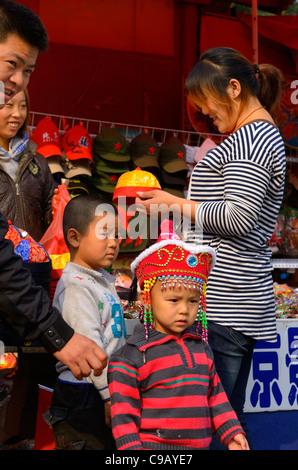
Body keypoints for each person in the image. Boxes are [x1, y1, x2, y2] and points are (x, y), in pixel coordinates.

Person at [135, 47, 286, 447]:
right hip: (229, 299)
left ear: (234, 89)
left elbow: (238, 217)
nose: (204, 113)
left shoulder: (252, 139)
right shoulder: (250, 137)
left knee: (217, 424)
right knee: (222, 420)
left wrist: (177, 205)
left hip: (228, 301)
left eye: (206, 102)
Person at [0, 0, 107, 379]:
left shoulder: (36, 164)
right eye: (12, 64)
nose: (17, 81)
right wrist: (57, 334)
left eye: (27, 71)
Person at [108, 220, 249, 451]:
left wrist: (232, 432)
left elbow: (216, 398)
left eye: (193, 301)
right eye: (174, 300)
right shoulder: (129, 358)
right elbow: (124, 419)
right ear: (146, 299)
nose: (184, 309)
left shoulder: (202, 349)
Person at [45, 195, 126, 450]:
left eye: (117, 235)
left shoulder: (99, 279)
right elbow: (89, 349)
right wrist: (109, 396)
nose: (114, 243)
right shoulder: (76, 287)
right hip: (84, 393)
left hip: (102, 388)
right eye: (105, 234)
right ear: (74, 238)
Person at [0, 88, 55, 241]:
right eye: (9, 105)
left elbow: (49, 219)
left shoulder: (37, 162)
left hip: (33, 261)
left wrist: (57, 210)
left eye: (23, 106)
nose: (18, 114)